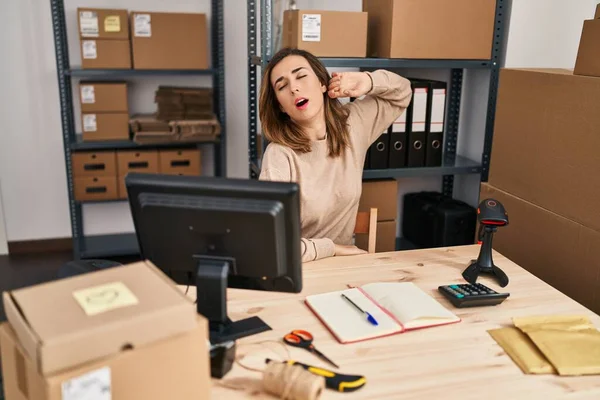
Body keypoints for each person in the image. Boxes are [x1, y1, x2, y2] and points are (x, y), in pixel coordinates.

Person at [258, 47, 412, 262]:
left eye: (301, 76)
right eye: (282, 86)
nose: (294, 88)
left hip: (345, 265)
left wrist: (367, 81)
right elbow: (270, 242)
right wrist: (332, 248)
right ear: (280, 107)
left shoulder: (353, 124)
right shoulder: (279, 155)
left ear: (323, 83)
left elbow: (402, 91)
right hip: (299, 267)